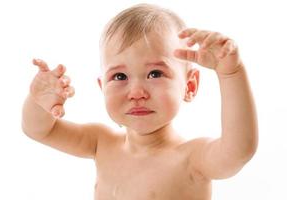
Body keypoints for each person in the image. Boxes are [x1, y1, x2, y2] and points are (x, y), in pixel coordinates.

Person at [21, 3, 258, 200]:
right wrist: (38, 101)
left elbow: (239, 150)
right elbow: (40, 130)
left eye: (155, 74)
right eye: (120, 76)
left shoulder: (191, 158)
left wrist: (231, 73)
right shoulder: (100, 143)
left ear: (190, 85)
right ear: (103, 87)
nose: (136, 92)